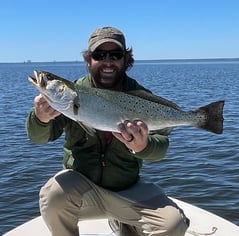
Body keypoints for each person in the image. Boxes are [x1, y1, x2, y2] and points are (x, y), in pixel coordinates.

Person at [26, 26, 189, 236]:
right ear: (89, 59)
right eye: (99, 55)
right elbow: (37, 137)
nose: (108, 61)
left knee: (173, 225)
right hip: (82, 189)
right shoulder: (72, 97)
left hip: (127, 190)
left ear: (125, 59)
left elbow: (161, 149)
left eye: (116, 55)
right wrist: (40, 118)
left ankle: (124, 223)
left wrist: (144, 146)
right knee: (53, 195)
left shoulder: (140, 96)